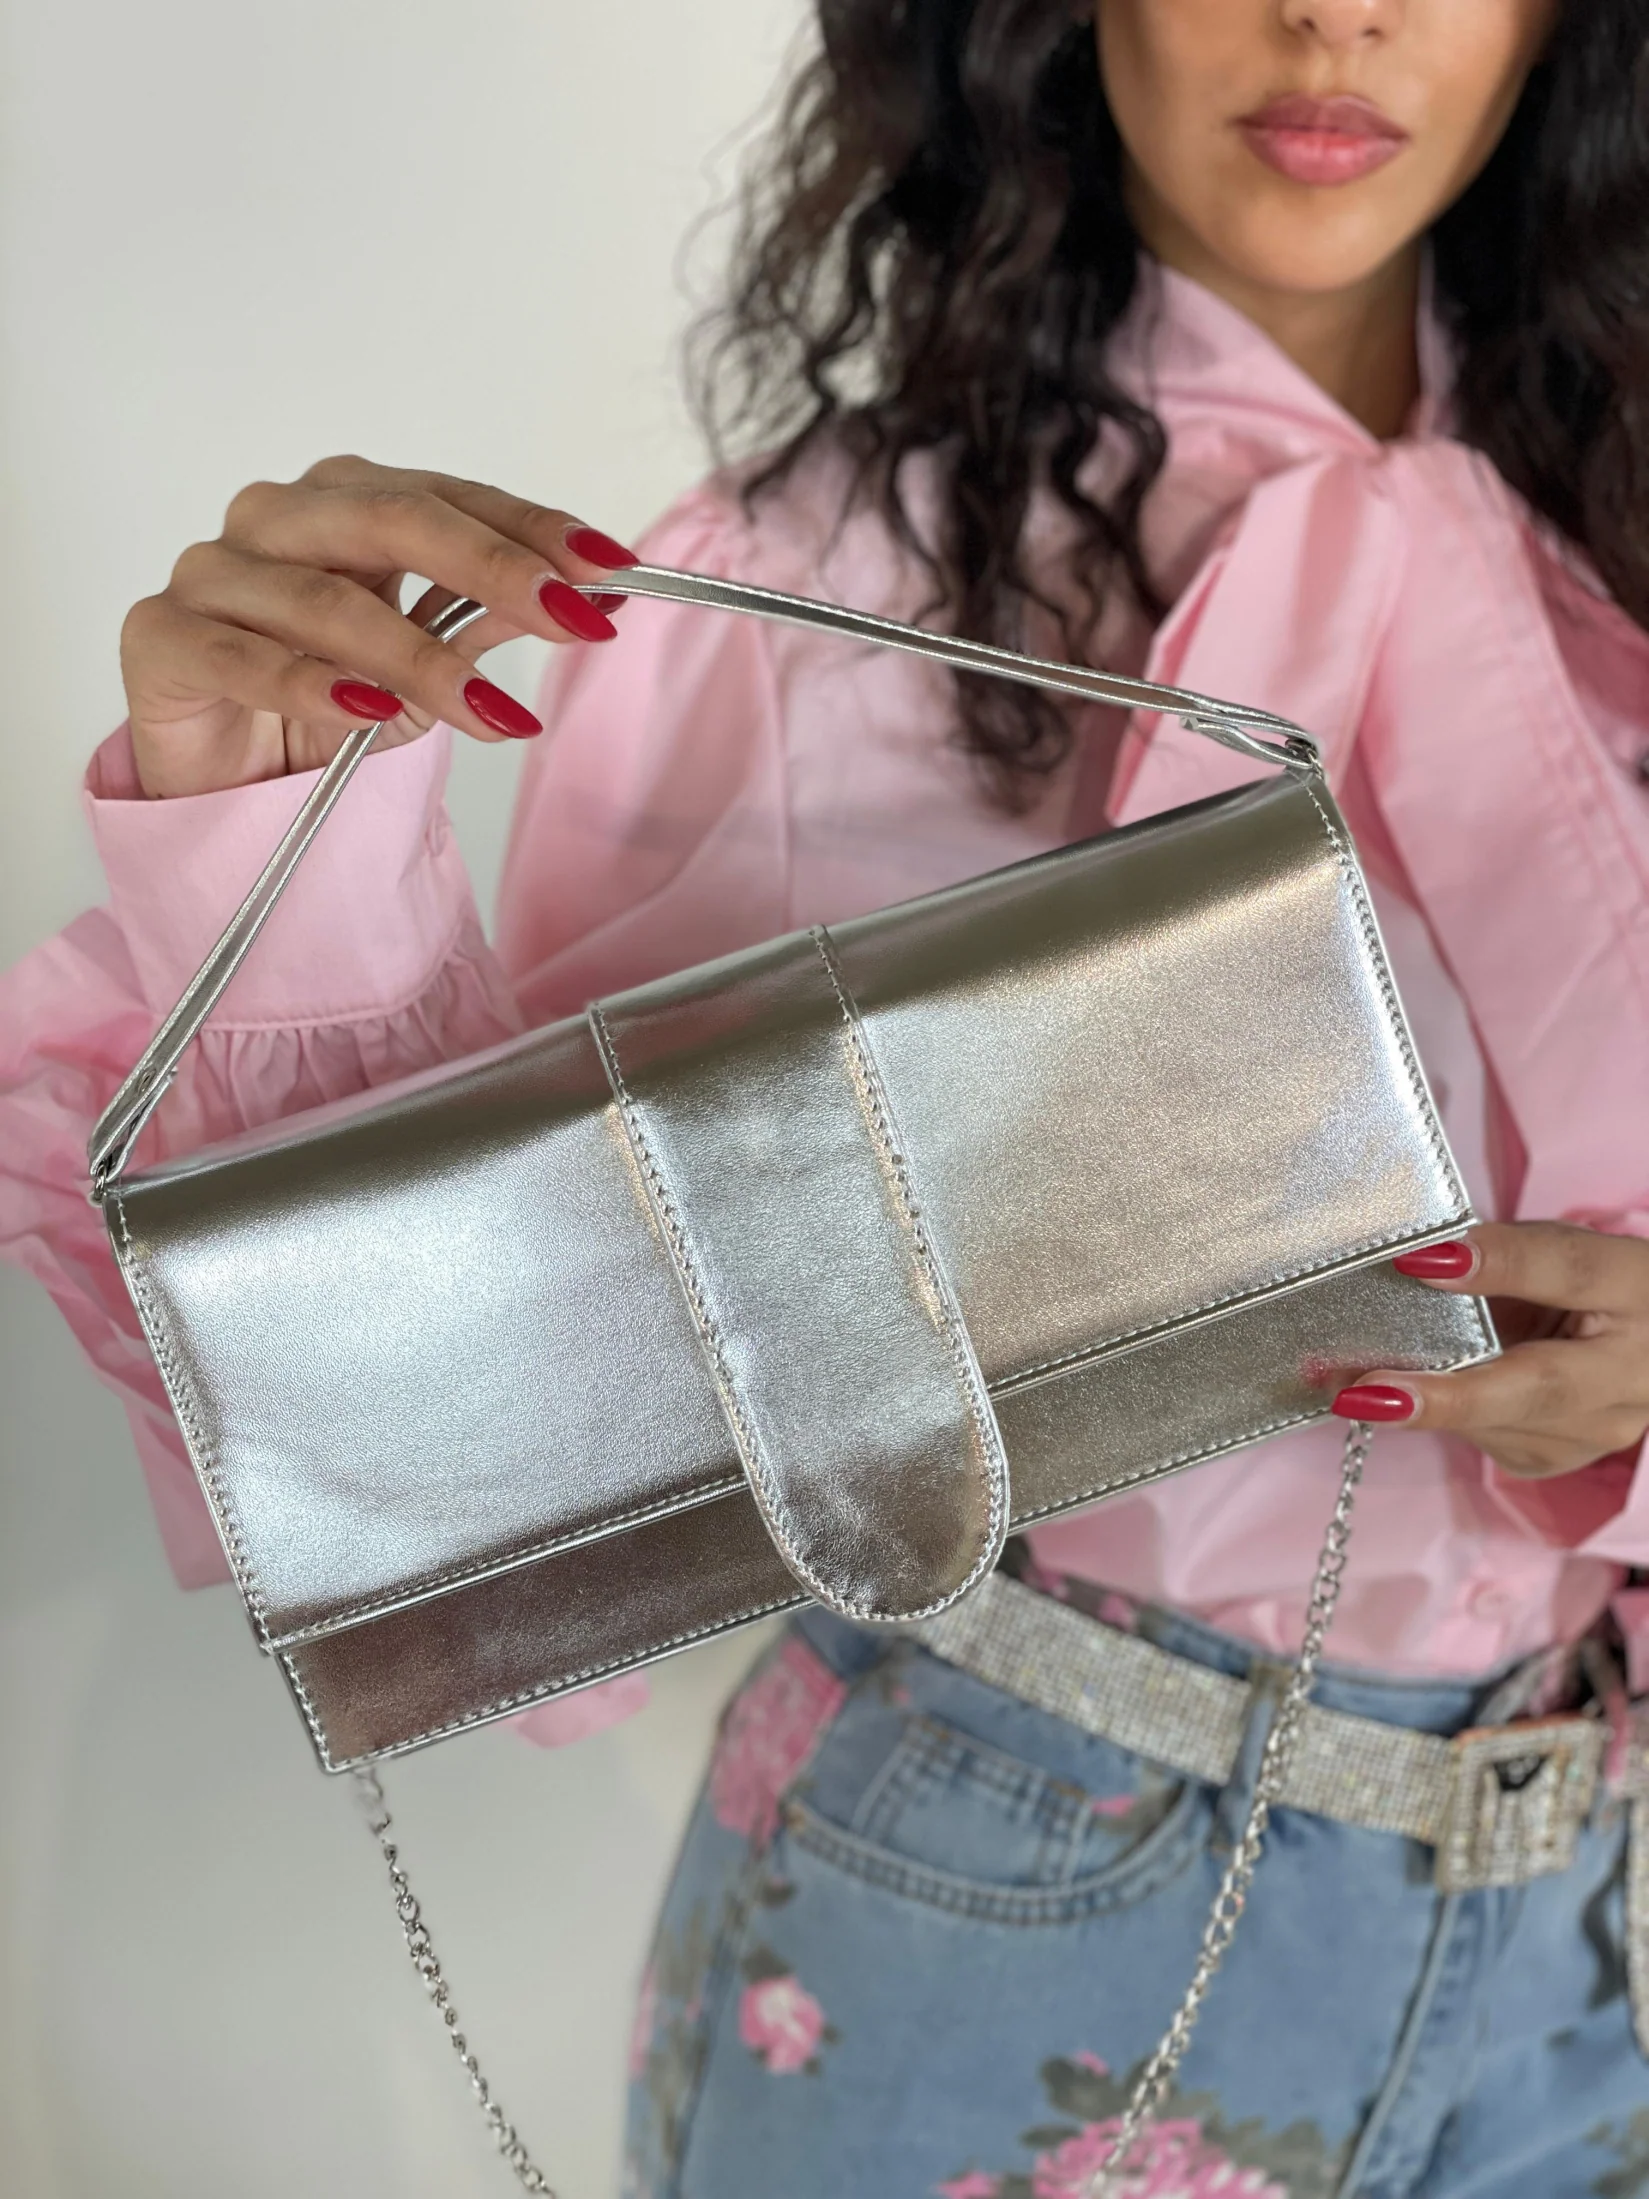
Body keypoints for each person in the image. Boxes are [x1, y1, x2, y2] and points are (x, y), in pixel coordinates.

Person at [4, 0, 1649, 2190]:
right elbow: (475, 1475)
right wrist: (273, 876)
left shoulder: (1610, 577)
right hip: (994, 1898)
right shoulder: (791, 597)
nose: (1335, 12)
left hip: (1585, 1949)